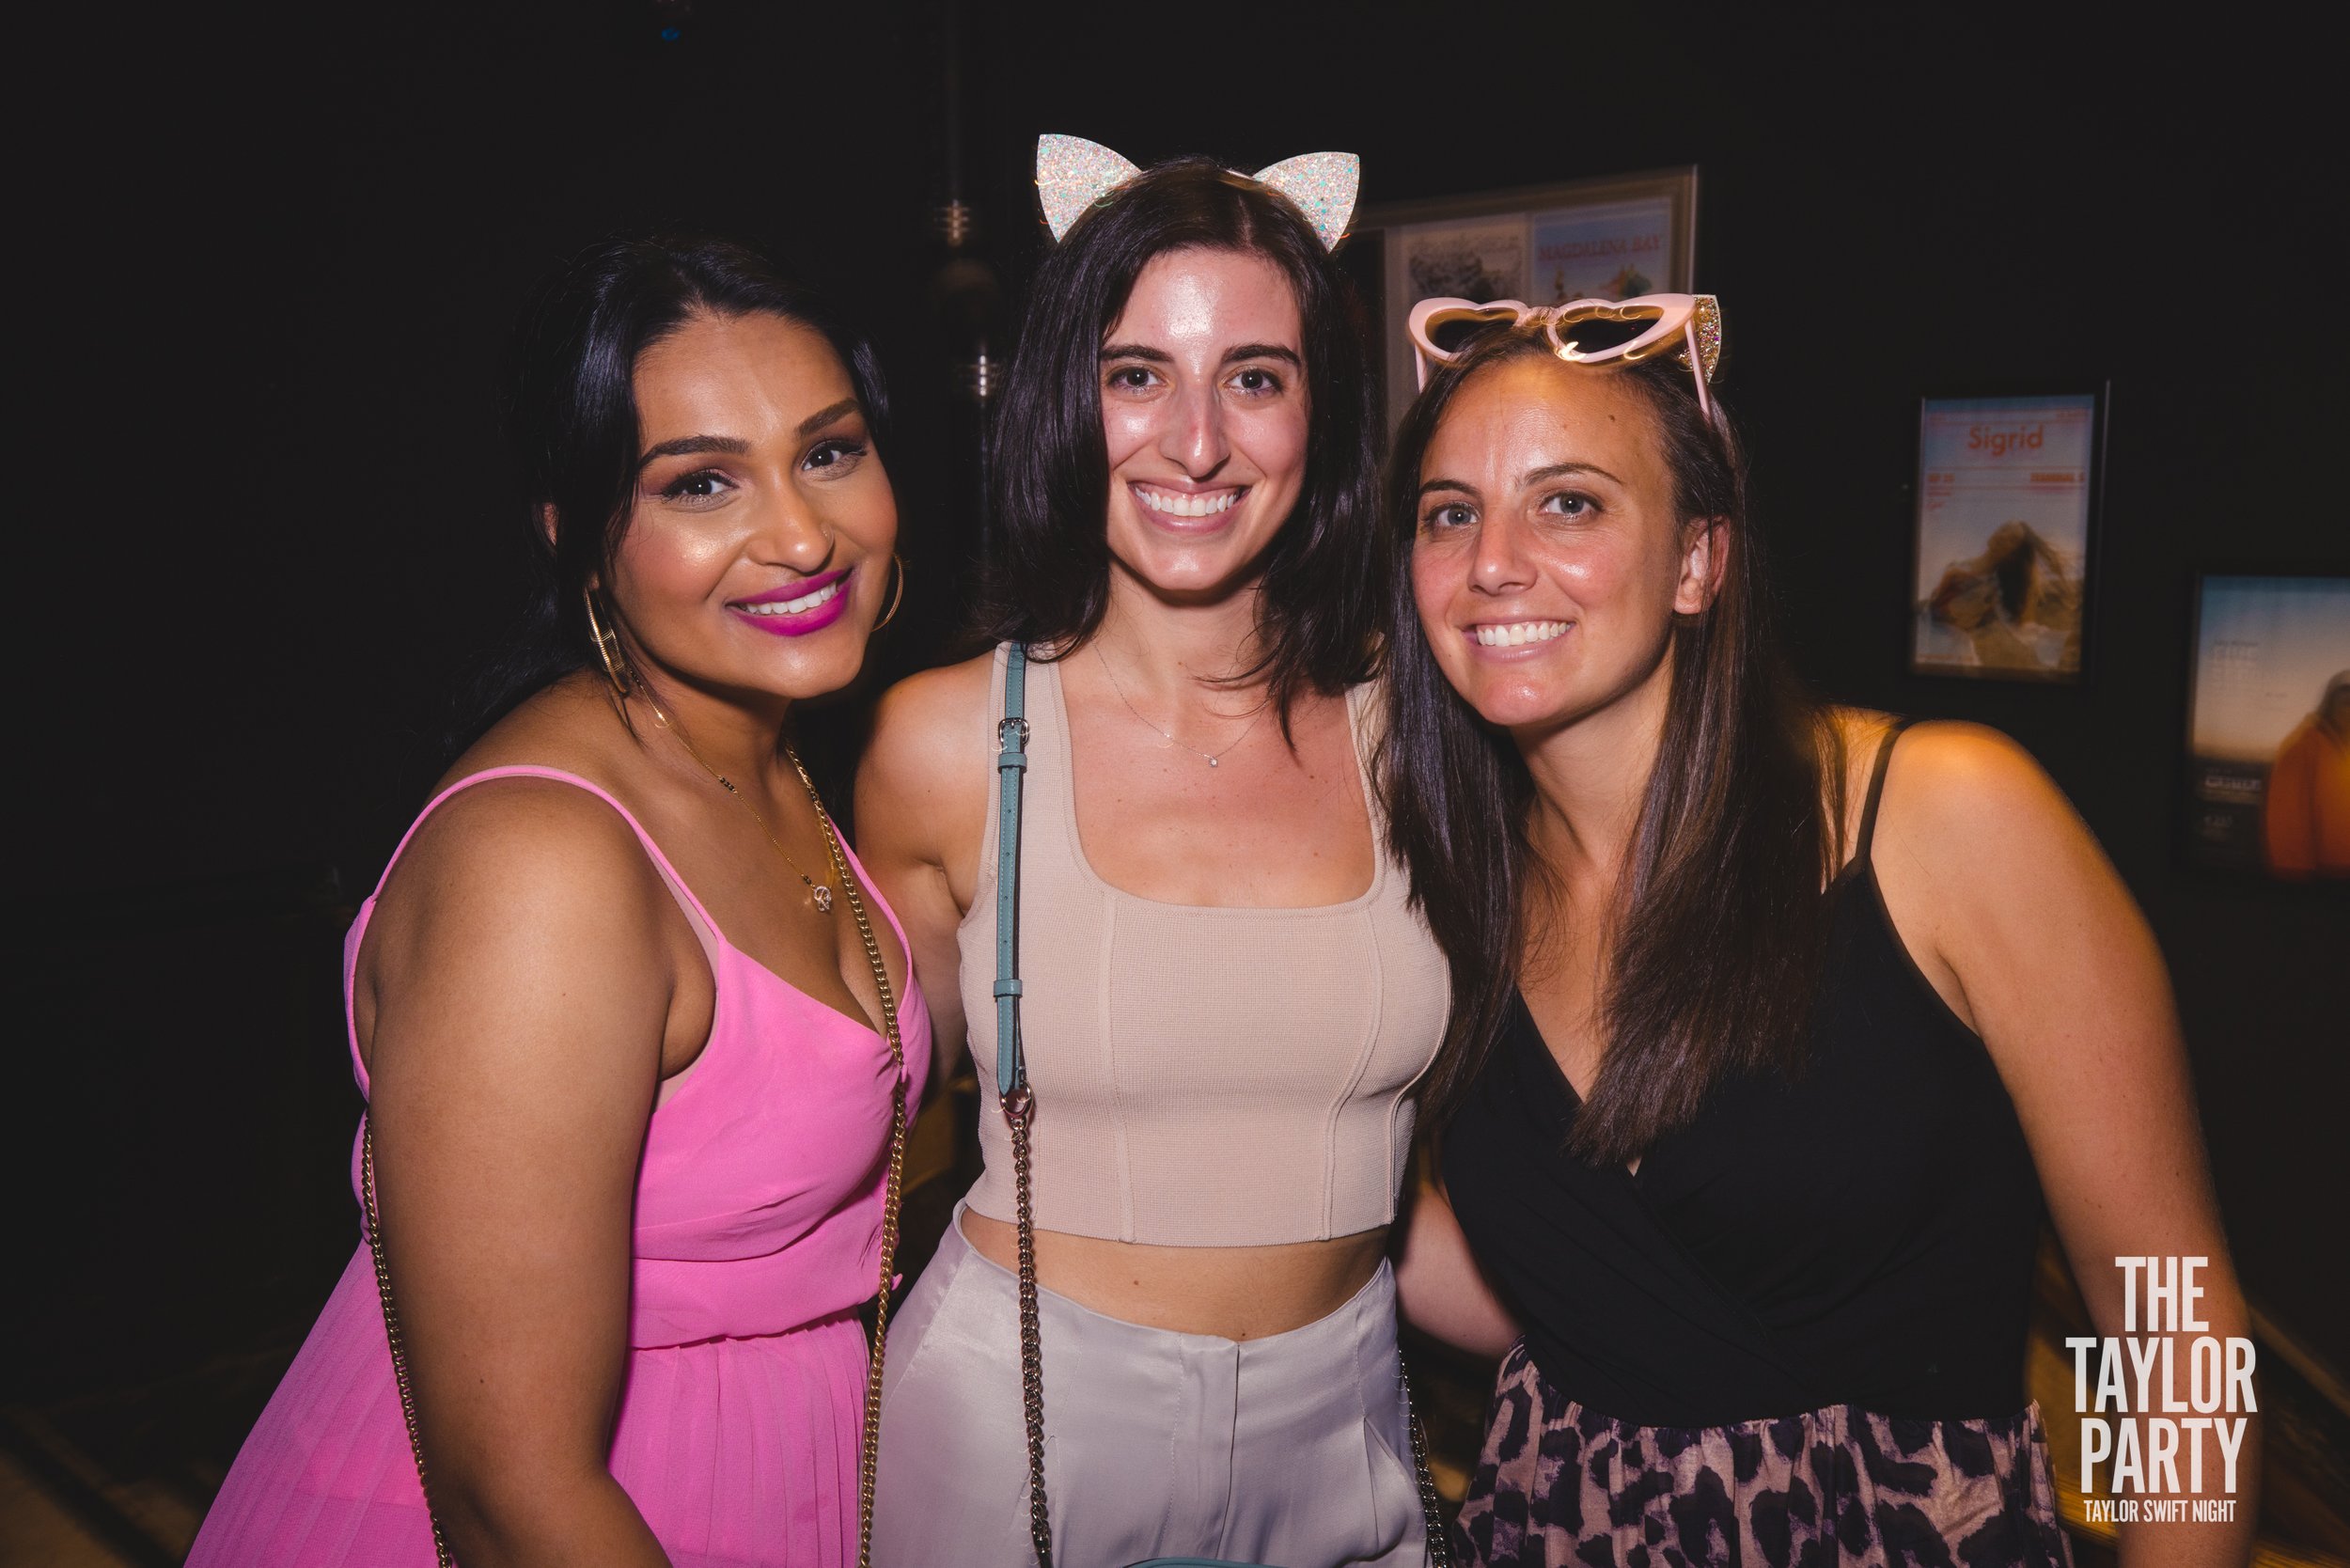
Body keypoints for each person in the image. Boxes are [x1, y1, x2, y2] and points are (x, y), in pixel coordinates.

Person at [1380, 305, 2257, 1568]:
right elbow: (1592, 1311)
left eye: (1567, 504)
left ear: (1698, 561)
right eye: (1449, 513)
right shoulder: (1458, 889)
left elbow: (2177, 1324)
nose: (1494, 562)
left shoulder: (1944, 817)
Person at [190, 236, 927, 1568]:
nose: (802, 534)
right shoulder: (540, 865)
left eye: (828, 452)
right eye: (701, 482)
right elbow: (510, 1495)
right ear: (577, 534)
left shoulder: (778, 759)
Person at [856, 145, 1449, 1565]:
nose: (1195, 442)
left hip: (1347, 1418)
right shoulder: (948, 741)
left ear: (1320, 411)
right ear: (1068, 400)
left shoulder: (1423, 733)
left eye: (1254, 377)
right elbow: (851, 1134)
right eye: (1137, 375)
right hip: (1022, 1422)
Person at [2262, 669, 2350, 876]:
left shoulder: (2340, 747)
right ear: (2329, 704)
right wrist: (2296, 876)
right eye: (2347, 703)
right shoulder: (2303, 747)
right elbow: (2288, 820)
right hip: (2323, 874)